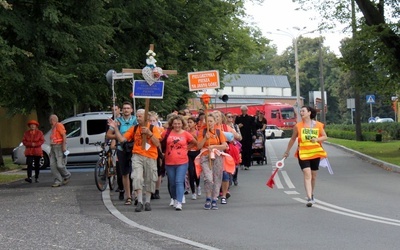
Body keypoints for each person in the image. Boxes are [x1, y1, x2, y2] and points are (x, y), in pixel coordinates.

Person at [108, 109, 161, 212]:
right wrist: (116, 129)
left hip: (150, 156)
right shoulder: (134, 128)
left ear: (145, 117)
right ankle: (140, 201)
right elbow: (122, 139)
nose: (137, 118)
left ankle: (148, 202)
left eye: (140, 116)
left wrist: (149, 133)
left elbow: (157, 143)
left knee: (150, 178)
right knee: (137, 177)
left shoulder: (153, 128)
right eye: (137, 116)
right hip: (137, 155)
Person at [283, 106, 328, 207]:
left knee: (313, 176)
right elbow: (293, 139)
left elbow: (325, 136)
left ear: (309, 113)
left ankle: (311, 194)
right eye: (300, 111)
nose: (301, 113)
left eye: (303, 111)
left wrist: (317, 139)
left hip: (315, 152)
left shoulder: (318, 125)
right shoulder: (298, 126)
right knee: (307, 173)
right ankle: (309, 197)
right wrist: (287, 151)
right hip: (303, 153)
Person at [162, 115, 197, 210]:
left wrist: (187, 148)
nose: (177, 125)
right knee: (172, 183)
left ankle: (179, 202)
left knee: (179, 181)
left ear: (182, 124)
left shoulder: (185, 134)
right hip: (169, 162)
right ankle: (174, 198)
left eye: (179, 123)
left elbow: (194, 142)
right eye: (175, 124)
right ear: (172, 124)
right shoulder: (167, 133)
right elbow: (160, 141)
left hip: (182, 161)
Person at [196, 113, 229, 210]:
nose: (209, 123)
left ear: (215, 122)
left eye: (211, 121)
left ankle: (214, 199)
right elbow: (199, 146)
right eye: (207, 121)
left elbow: (224, 145)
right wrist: (205, 138)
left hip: (217, 156)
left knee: (217, 178)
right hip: (205, 157)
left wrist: (214, 146)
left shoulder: (218, 132)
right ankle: (208, 197)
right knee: (208, 178)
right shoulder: (202, 132)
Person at [106, 101, 137, 203]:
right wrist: (119, 137)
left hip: (134, 149)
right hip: (121, 149)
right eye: (124, 108)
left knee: (136, 173)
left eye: (128, 108)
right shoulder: (117, 121)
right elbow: (108, 135)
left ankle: (136, 195)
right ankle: (128, 196)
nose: (126, 110)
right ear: (122, 110)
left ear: (132, 110)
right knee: (125, 174)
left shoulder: (136, 120)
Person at [49, 114, 71, 187]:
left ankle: (67, 175)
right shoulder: (53, 128)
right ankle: (58, 181)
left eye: (50, 119)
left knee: (60, 165)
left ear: (53, 120)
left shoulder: (59, 125)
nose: (49, 121)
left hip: (59, 146)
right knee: (52, 165)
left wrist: (64, 146)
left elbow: (64, 135)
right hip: (53, 147)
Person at [235, 105, 257, 170]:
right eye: (242, 110)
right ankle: (242, 163)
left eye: (245, 110)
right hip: (240, 137)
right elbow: (235, 127)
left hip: (248, 136)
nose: (243, 112)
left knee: (248, 150)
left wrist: (254, 134)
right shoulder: (238, 118)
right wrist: (238, 126)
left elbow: (253, 127)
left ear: (247, 111)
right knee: (241, 150)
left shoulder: (250, 118)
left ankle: (247, 164)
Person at [148, 111, 164, 199]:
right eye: (150, 121)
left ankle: (157, 190)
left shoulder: (160, 129)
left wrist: (161, 155)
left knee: (158, 172)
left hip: (157, 151)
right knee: (149, 172)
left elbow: (160, 143)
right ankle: (151, 190)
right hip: (148, 151)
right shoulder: (146, 128)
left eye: (154, 120)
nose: (152, 122)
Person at [225, 112, 242, 186]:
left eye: (231, 117)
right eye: (228, 117)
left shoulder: (235, 126)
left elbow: (240, 137)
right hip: (226, 146)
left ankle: (235, 178)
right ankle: (229, 178)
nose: (230, 118)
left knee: (235, 162)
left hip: (234, 146)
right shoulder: (223, 126)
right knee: (227, 163)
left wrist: (234, 134)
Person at [186, 116, 201, 200]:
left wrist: (194, 139)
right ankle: (193, 192)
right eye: (188, 122)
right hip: (188, 153)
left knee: (196, 172)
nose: (189, 124)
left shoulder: (198, 132)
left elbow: (198, 144)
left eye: (191, 122)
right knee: (190, 172)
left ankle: (198, 185)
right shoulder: (185, 132)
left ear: (195, 124)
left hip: (196, 153)